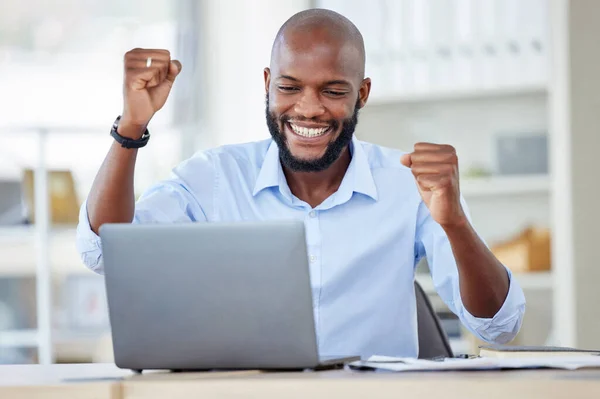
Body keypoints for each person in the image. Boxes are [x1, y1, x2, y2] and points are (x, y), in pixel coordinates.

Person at [76, 9, 525, 358]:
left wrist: (456, 222)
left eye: (332, 91)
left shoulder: (408, 185)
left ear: (362, 94)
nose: (308, 109)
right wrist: (131, 127)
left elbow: (498, 324)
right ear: (268, 84)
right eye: (290, 87)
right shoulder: (214, 177)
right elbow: (105, 251)